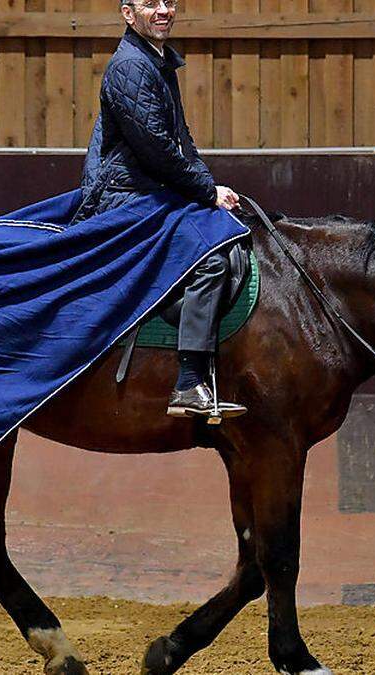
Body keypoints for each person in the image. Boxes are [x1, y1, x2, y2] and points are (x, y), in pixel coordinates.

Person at [76, 0, 246, 420]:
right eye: (151, 3)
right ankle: (189, 383)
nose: (163, 10)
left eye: (169, 2)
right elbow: (156, 149)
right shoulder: (131, 66)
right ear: (128, 14)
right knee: (210, 262)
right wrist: (206, 191)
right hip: (128, 198)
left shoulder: (159, 63)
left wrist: (209, 187)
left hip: (153, 190)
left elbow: (182, 141)